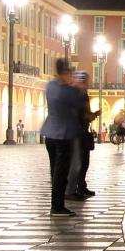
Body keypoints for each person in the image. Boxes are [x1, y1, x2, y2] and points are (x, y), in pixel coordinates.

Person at [42, 59, 81, 217]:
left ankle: (56, 204)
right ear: (65, 73)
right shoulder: (68, 91)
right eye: (70, 73)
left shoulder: (50, 86)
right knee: (61, 173)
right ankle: (57, 206)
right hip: (63, 135)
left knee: (54, 172)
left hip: (50, 134)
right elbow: (79, 103)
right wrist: (77, 88)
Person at [66, 72, 98, 200]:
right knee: (80, 162)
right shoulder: (80, 95)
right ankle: (74, 189)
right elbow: (85, 115)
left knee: (82, 162)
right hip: (79, 131)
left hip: (77, 131)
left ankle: (80, 186)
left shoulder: (74, 94)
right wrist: (94, 115)